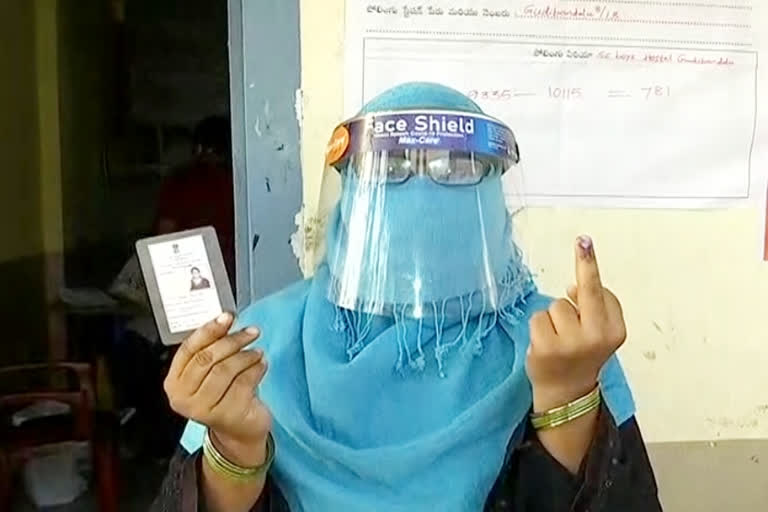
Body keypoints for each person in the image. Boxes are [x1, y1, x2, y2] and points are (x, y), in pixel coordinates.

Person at [152, 83, 661, 511]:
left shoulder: (558, 341)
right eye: (388, 170)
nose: (419, 191)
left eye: (454, 168)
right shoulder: (264, 342)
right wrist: (234, 448)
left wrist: (566, 401)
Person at [155, 115, 236, 289]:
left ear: (197, 147)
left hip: (185, 278)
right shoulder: (239, 182)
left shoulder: (180, 181)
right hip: (232, 278)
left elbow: (163, 238)